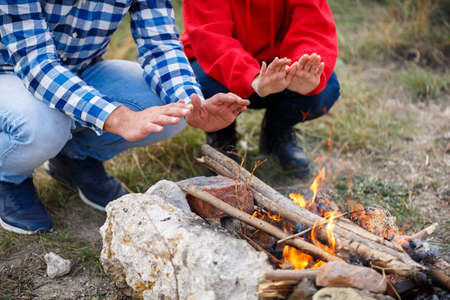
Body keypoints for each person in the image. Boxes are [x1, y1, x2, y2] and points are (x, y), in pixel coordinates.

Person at [0, 1, 249, 235]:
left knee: (173, 109)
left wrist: (192, 103)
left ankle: (74, 159)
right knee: (44, 126)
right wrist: (114, 116)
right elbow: (36, 62)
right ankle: (9, 177)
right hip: (10, 72)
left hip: (80, 69)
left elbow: (160, 46)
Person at [181, 0, 341, 178]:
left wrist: (301, 70)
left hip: (280, 64)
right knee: (200, 85)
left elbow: (313, 25)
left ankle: (277, 132)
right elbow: (211, 36)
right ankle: (222, 137)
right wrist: (252, 77)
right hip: (220, 64)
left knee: (325, 88)